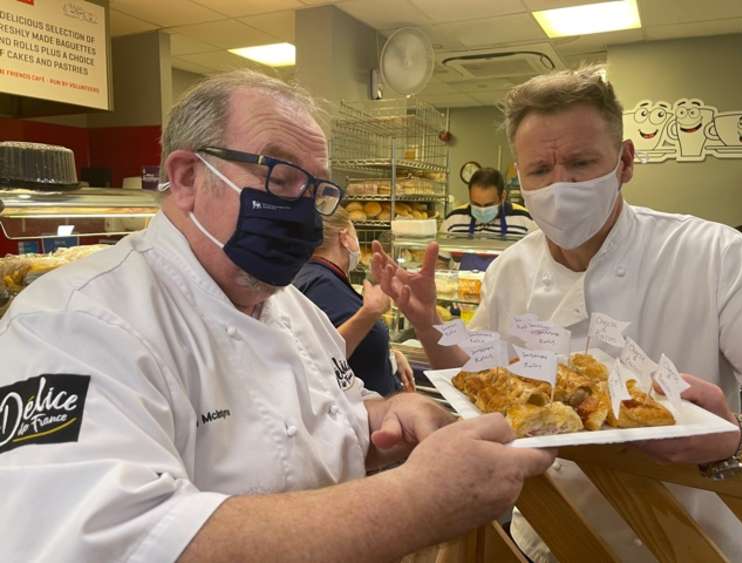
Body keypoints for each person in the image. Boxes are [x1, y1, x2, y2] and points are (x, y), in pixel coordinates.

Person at [0, 69, 556, 562]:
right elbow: (116, 541)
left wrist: (389, 413)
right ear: (189, 176)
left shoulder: (289, 304)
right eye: (280, 177)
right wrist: (419, 499)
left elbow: (333, 418)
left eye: (316, 191)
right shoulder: (72, 323)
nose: (303, 211)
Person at [372, 66, 742, 562]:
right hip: (547, 534)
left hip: (690, 544)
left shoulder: (716, 256)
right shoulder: (510, 269)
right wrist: (427, 323)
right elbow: (477, 379)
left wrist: (735, 439)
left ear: (625, 162)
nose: (561, 185)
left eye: (580, 162)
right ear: (520, 180)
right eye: (540, 171)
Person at [294, 207, 414, 395]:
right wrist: (371, 312)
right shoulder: (323, 285)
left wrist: (391, 357)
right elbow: (322, 356)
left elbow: (355, 346)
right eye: (354, 231)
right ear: (345, 237)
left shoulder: (315, 275)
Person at [440, 167, 536, 270]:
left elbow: (538, 262)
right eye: (476, 204)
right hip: (466, 284)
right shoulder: (453, 220)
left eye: (488, 205)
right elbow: (440, 262)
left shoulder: (525, 220)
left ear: (502, 197)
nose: (482, 210)